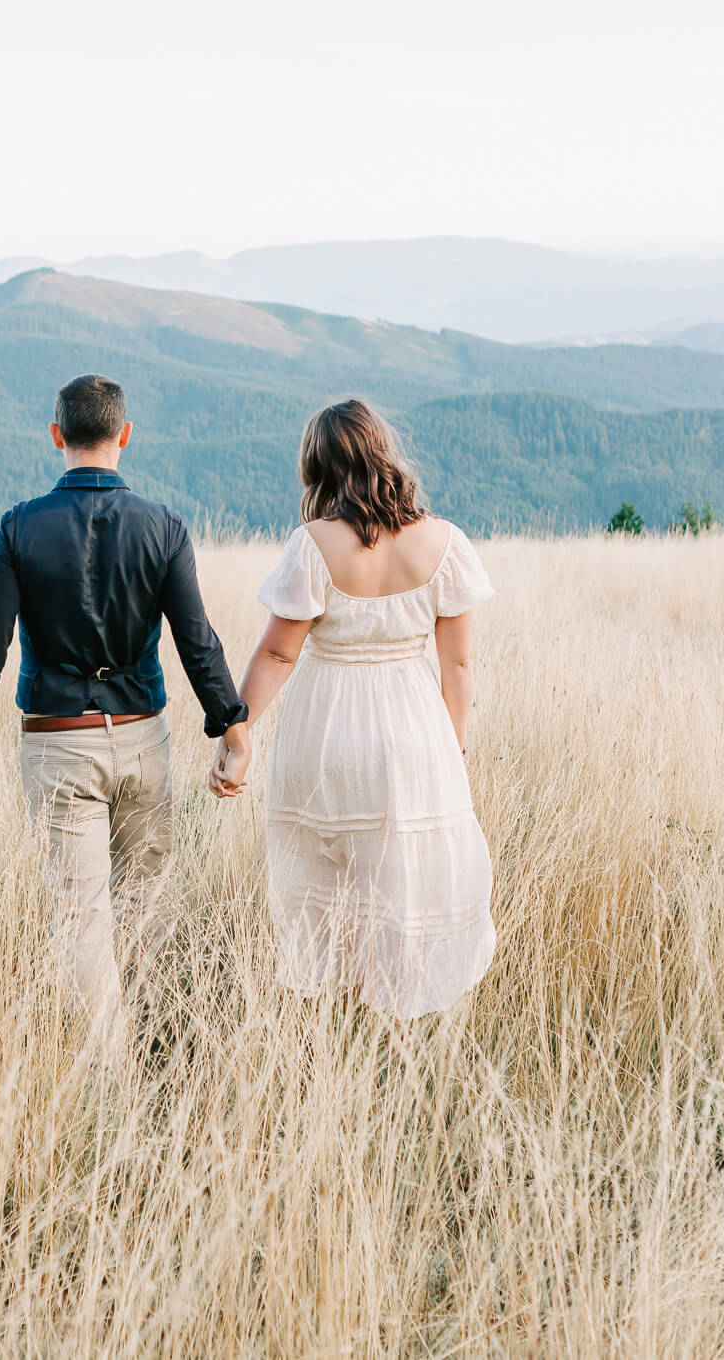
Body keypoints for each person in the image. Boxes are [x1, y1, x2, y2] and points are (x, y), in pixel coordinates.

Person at [0, 374, 250, 1067]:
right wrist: (232, 734)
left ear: (57, 435)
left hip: (57, 743)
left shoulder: (18, 526)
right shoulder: (165, 527)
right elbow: (198, 642)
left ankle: (110, 1087)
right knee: (141, 909)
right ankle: (155, 1061)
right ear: (124, 435)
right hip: (143, 738)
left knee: (82, 920)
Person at [209, 400, 496, 1019]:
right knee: (404, 882)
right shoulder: (445, 544)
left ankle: (334, 1028)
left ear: (318, 468)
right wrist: (453, 751)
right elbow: (459, 667)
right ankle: (393, 1030)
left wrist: (237, 734)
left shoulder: (312, 545)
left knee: (325, 881)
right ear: (383, 453)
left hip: (325, 729)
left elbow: (278, 654)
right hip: (414, 730)